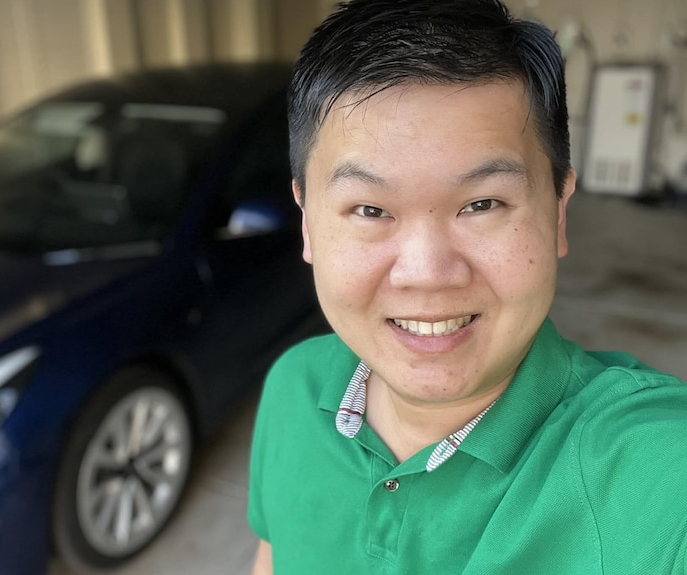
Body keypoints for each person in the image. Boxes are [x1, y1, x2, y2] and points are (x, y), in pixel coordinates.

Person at [247, 0, 687, 573]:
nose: (427, 272)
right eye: (371, 209)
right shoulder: (292, 390)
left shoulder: (649, 469)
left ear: (557, 212)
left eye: (482, 204)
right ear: (307, 222)